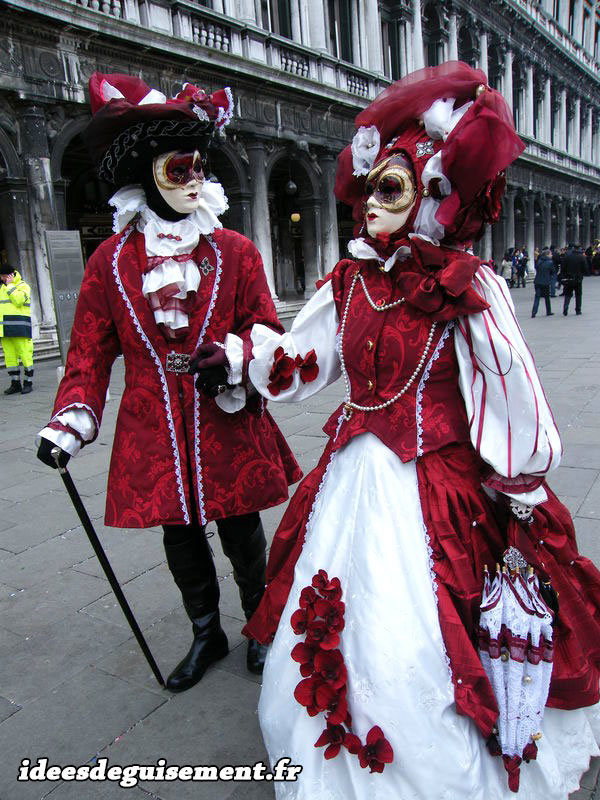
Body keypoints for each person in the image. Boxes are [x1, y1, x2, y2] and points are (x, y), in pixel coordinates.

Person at [193, 63, 600, 799]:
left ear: (435, 195)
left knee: (428, 628)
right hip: (354, 473)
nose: (371, 205)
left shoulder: (466, 286)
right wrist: (238, 359)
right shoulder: (348, 282)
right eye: (369, 187)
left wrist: (519, 483)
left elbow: (509, 390)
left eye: (392, 188)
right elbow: (301, 360)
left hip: (436, 482)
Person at [35, 73, 301, 691]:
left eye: (199, 169)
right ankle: (205, 632)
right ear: (146, 172)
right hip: (154, 418)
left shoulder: (235, 251)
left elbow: (266, 326)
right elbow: (88, 353)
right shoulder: (110, 263)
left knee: (240, 527)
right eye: (179, 169)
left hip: (224, 413)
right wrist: (70, 422)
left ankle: (261, 628)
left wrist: (238, 356)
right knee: (180, 533)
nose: (195, 181)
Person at [0, 265, 34, 394]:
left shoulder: (23, 286)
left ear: (12, 275)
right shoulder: (2, 288)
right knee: (10, 358)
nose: (3, 279)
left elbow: (19, 300)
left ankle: (28, 382)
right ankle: (15, 384)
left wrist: (10, 286)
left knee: (25, 355)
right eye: (2, 277)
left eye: (5, 276)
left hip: (20, 327)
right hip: (5, 329)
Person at [560, 242, 586, 316]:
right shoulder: (581, 257)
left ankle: (565, 308)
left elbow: (563, 267)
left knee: (568, 294)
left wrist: (564, 275)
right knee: (578, 294)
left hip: (569, 278)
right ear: (579, 248)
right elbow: (585, 268)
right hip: (578, 278)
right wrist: (582, 273)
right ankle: (578, 310)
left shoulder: (567, 256)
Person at [531, 248, 554, 317]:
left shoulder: (539, 261)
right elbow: (552, 271)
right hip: (545, 282)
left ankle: (534, 312)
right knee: (547, 298)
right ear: (547, 255)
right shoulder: (550, 262)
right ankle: (548, 311)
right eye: (550, 254)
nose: (551, 255)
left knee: (537, 297)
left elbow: (537, 269)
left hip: (537, 281)